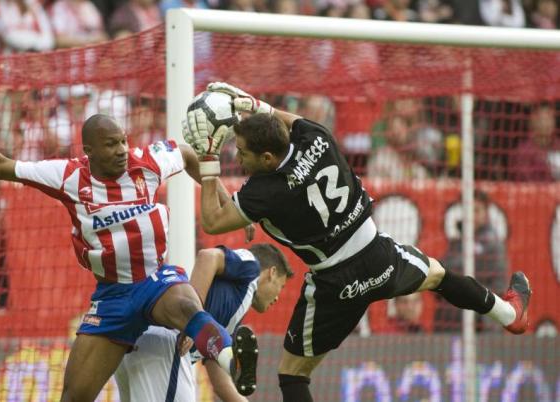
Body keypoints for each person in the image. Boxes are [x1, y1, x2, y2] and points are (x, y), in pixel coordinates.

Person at [182, 82, 533, 402]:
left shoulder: (264, 191)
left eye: (242, 152)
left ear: (268, 159)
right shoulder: (316, 137)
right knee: (440, 276)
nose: (238, 158)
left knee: (292, 375)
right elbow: (287, 121)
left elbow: (213, 221)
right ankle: (510, 314)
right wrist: (255, 104)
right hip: (377, 255)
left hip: (335, 284)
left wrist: (210, 157)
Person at [0, 94, 258, 401]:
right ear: (90, 151)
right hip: (112, 297)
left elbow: (186, 154)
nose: (122, 150)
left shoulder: (148, 162)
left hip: (154, 281)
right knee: (74, 395)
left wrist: (229, 207)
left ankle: (235, 362)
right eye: (111, 145)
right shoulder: (68, 176)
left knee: (187, 307)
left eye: (123, 142)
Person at [115, 243, 293, 402]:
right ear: (272, 272)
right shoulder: (251, 266)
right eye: (281, 286)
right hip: (168, 345)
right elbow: (208, 256)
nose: (277, 297)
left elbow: (218, 375)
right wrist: (193, 320)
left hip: (139, 344)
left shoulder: (231, 315)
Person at [435, 190, 509, 332]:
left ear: (486, 213)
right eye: (467, 210)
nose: (471, 216)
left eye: (476, 210)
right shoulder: (457, 243)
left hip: (483, 319)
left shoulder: (493, 244)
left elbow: (499, 287)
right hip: (456, 316)